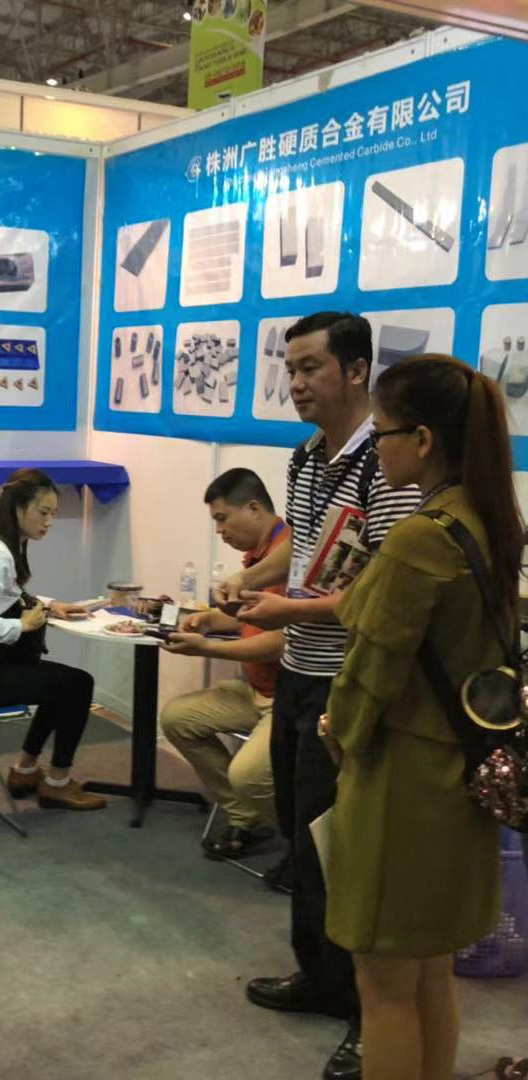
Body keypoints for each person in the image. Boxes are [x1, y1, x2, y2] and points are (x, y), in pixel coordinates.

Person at [217, 313, 418, 1080]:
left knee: (351, 850)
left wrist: (289, 611)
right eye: (290, 368)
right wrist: (248, 582)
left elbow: (384, 589)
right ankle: (322, 978)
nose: (296, 382)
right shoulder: (304, 458)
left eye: (310, 367)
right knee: (304, 838)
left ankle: (371, 1014)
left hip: (354, 680)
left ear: (357, 370)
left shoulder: (387, 461)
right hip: (300, 669)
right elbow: (305, 554)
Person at [320, 355, 519, 1080]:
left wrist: (339, 732)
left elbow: (372, 668)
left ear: (424, 439)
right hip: (463, 773)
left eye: (382, 433)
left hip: (403, 781)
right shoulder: (488, 521)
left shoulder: (421, 537)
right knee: (431, 969)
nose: (377, 448)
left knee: (384, 986)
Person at [0, 468, 106, 811]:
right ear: (19, 506)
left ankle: (25, 771)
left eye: (53, 514)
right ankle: (56, 783)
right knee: (77, 685)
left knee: (61, 683)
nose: (49, 522)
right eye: (43, 512)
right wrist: (23, 625)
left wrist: (49, 606)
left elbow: (10, 596)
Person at [159, 468, 288, 860]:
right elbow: (251, 618)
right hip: (255, 691)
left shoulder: (288, 559)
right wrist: (210, 620)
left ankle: (302, 842)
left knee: (247, 775)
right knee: (178, 718)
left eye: (222, 518)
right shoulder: (256, 558)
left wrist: (206, 648)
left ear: (254, 509)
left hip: (287, 700)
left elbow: (278, 644)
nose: (219, 531)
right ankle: (248, 819)